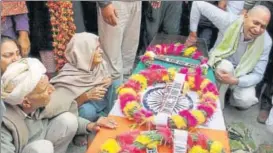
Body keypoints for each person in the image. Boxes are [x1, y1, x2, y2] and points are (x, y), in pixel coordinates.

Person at [185, 2, 272, 110]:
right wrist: (193, 34)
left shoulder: (266, 42)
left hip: (241, 74)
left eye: (263, 26)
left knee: (246, 100)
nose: (258, 29)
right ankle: (218, 105)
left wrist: (235, 81)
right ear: (245, 16)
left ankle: (230, 95)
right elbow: (197, 4)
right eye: (255, 23)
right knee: (226, 67)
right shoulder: (229, 20)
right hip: (220, 65)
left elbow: (258, 74)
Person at [50, 32, 118, 145]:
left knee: (116, 83)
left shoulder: (99, 65)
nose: (101, 51)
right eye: (96, 49)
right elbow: (61, 109)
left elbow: (107, 77)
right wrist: (85, 96)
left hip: (99, 102)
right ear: (84, 53)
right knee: (87, 110)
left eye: (99, 47)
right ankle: (81, 132)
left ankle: (110, 118)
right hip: (83, 109)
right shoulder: (68, 77)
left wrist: (109, 80)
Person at [1, 58, 78, 153]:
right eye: (45, 89)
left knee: (68, 120)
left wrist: (88, 125)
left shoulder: (36, 103)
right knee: (42, 148)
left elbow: (61, 107)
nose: (52, 89)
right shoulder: (4, 125)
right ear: (26, 102)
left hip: (43, 141)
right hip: (35, 149)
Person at [241, 1, 273, 125]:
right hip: (268, 5)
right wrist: (247, 7)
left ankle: (266, 102)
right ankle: (252, 88)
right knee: (257, 45)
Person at [97, 1, 141, 80]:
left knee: (129, 57)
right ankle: (113, 90)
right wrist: (104, 3)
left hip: (136, 3)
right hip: (114, 4)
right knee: (111, 62)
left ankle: (125, 90)